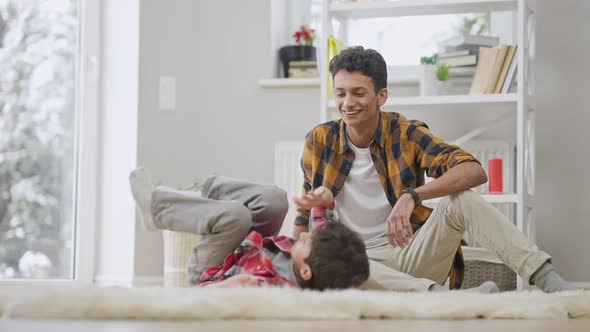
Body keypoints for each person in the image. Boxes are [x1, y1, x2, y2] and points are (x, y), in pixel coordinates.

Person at [294, 45, 581, 293]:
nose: (347, 103)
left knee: (462, 199)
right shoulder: (319, 140)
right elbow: (303, 216)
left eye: (358, 93)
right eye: (340, 93)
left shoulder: (406, 133)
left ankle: (549, 281)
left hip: (411, 255)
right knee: (342, 269)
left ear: (381, 96)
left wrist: (413, 196)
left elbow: (473, 171)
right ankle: (439, 298)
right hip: (355, 265)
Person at [129, 167, 369, 290]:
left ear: (306, 272)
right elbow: (322, 219)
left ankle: (155, 210)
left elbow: (203, 297)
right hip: (246, 247)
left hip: (213, 271)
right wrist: (323, 199)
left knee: (236, 216)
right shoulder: (321, 253)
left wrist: (229, 286)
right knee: (275, 199)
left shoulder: (273, 290)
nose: (303, 235)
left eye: (305, 242)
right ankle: (206, 192)